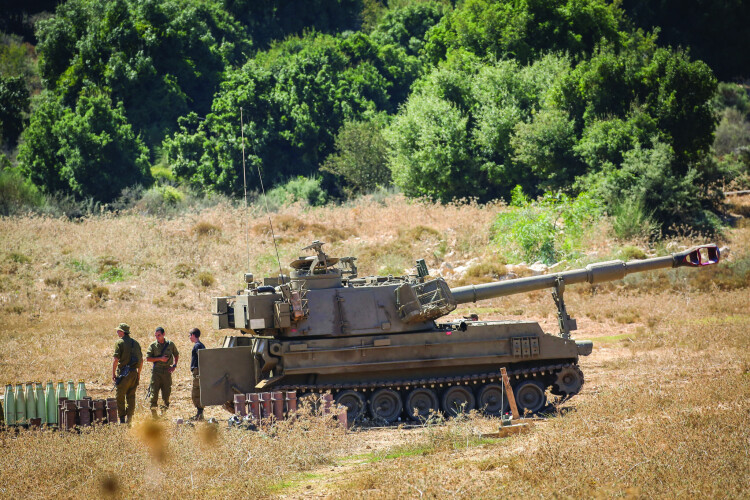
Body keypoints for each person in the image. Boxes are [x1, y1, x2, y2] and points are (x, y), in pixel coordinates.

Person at [145, 326, 179, 418]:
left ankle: (163, 414)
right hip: (157, 372)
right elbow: (148, 358)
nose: (157, 337)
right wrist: (160, 358)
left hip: (167, 372)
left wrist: (174, 366)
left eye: (159, 335)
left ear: (163, 334)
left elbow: (176, 354)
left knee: (166, 393)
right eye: (156, 335)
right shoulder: (153, 345)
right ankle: (154, 415)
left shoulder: (170, 344)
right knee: (154, 393)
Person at [112, 323, 142, 424]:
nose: (117, 332)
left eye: (118, 330)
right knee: (131, 396)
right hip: (134, 373)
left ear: (123, 332)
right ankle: (129, 419)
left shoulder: (119, 342)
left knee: (119, 396)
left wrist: (113, 374)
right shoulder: (136, 343)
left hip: (123, 374)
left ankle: (122, 419)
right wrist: (138, 374)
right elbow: (141, 361)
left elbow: (116, 360)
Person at [189, 327, 206, 421]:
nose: (189, 337)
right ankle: (200, 414)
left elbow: (201, 358)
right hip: (200, 371)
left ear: (193, 335)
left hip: (197, 372)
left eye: (189, 335)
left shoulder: (197, 346)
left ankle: (199, 414)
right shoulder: (201, 345)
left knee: (196, 392)